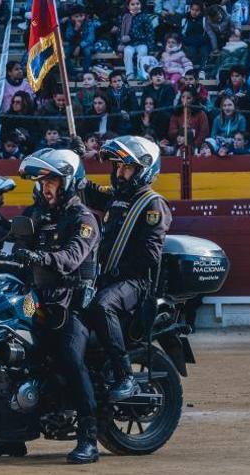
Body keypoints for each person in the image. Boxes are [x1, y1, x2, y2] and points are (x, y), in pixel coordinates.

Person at [0, 149, 100, 464]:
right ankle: (11, 436)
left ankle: (89, 438)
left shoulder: (83, 218)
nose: (46, 186)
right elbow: (11, 244)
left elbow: (71, 258)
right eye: (43, 180)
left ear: (68, 181)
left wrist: (39, 258)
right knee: (9, 353)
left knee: (70, 358)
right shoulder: (37, 213)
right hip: (39, 299)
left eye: (52, 179)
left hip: (73, 302)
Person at [81, 136, 171, 403]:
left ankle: (125, 375)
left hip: (135, 283)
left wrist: (115, 274)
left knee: (101, 305)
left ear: (143, 169)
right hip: (108, 278)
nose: (119, 173)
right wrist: (74, 156)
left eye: (126, 168)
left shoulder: (152, 204)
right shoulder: (116, 197)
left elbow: (150, 256)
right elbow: (83, 189)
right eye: (117, 167)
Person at [118, 0, 154, 80]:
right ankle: (130, 74)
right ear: (128, 6)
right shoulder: (125, 17)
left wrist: (150, 47)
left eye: (137, 4)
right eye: (133, 4)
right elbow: (120, 33)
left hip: (142, 42)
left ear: (141, 5)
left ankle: (140, 73)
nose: (135, 6)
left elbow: (150, 33)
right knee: (127, 52)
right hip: (129, 44)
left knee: (142, 52)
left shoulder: (144, 17)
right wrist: (119, 48)